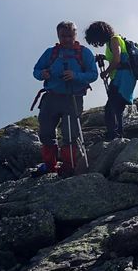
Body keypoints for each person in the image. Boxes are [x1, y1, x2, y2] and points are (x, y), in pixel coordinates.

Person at [31, 21, 98, 176]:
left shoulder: (84, 53)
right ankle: (50, 166)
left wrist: (76, 75)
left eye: (70, 35)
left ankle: (69, 166)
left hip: (73, 98)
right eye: (63, 36)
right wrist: (42, 74)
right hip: (51, 98)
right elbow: (36, 70)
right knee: (46, 133)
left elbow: (93, 74)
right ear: (58, 35)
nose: (67, 39)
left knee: (70, 135)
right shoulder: (51, 52)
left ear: (75, 34)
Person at [84, 21, 137, 141]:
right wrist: (104, 58)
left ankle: (113, 135)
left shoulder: (114, 40)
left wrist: (106, 72)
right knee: (117, 107)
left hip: (122, 79)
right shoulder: (112, 41)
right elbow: (116, 58)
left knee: (111, 107)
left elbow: (117, 60)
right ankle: (118, 133)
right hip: (123, 78)